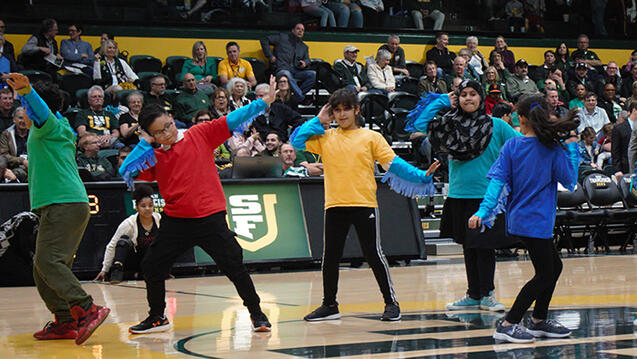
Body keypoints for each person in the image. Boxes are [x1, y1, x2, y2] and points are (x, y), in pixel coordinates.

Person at [117, 76, 279, 334]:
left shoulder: (199, 134)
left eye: (169, 125)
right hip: (176, 221)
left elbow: (232, 120)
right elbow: (126, 170)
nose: (168, 132)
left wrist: (264, 101)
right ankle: (158, 317)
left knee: (233, 266)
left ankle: (257, 314)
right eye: (160, 131)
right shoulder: (152, 153)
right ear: (150, 134)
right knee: (152, 265)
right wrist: (147, 142)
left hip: (210, 218)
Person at [291, 88, 439, 322]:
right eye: (336, 110)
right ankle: (329, 304)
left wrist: (421, 176)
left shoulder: (371, 137)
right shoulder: (325, 138)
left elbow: (394, 164)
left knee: (374, 254)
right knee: (330, 256)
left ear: (356, 110)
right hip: (334, 205)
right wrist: (319, 119)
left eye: (346, 109)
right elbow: (296, 141)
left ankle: (391, 303)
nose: (341, 115)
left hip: (363, 204)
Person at [7, 73, 110, 344]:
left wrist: (27, 91)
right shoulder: (61, 126)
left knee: (47, 262)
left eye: (25, 109)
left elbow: (40, 111)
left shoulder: (47, 125)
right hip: (69, 203)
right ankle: (65, 321)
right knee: (44, 268)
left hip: (62, 203)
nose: (24, 113)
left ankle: (87, 308)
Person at [468, 94, 578, 343]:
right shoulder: (552, 149)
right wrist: (572, 146)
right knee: (545, 273)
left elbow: (497, 184)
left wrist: (482, 212)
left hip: (520, 219)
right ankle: (509, 323)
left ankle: (539, 320)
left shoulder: (512, 146)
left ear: (522, 119)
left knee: (553, 267)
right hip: (537, 221)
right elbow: (570, 180)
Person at [406, 80, 521, 314]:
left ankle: (487, 294)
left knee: (484, 246)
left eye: (473, 94)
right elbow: (418, 124)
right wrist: (441, 101)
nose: (468, 99)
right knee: (469, 246)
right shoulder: (448, 124)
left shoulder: (496, 125)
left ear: (481, 98)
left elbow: (519, 147)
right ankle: (473, 294)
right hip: (458, 194)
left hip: (487, 196)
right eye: (463, 95)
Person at [95, 184, 161, 283]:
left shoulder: (159, 220)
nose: (147, 209)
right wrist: (104, 269)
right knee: (123, 241)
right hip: (133, 260)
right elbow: (112, 245)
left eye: (150, 205)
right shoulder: (129, 223)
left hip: (148, 261)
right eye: (143, 206)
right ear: (136, 207)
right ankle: (116, 272)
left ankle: (135, 275)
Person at [260, 23, 316, 101]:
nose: (300, 31)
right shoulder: (282, 38)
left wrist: (305, 63)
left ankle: (297, 97)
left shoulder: (304, 47)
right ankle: (300, 97)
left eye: (302, 30)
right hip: (281, 69)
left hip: (296, 71)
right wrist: (270, 56)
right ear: (293, 30)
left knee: (313, 74)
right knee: (286, 74)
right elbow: (264, 40)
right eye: (298, 29)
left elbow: (307, 59)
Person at [0, 106, 29, 182]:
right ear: (14, 120)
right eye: (20, 118)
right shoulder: (6, 134)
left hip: (33, 167)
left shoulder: (34, 134)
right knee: (18, 173)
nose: (23, 121)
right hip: (14, 168)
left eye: (25, 118)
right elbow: (4, 155)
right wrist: (22, 160)